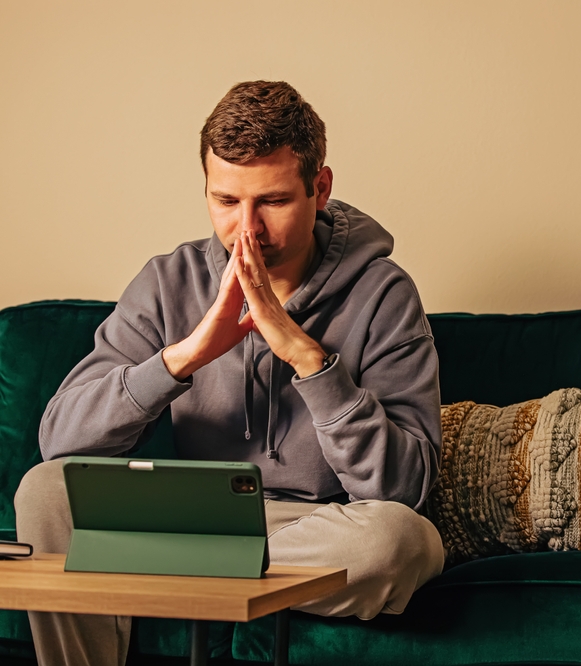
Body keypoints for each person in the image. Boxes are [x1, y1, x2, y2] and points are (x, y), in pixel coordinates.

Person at [13, 80, 444, 666]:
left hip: (315, 525)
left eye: (272, 201)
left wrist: (310, 361)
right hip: (193, 516)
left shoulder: (384, 294)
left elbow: (403, 489)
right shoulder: (168, 281)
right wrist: (184, 357)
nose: (248, 229)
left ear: (320, 189)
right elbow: (60, 441)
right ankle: (208, 572)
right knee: (45, 489)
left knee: (401, 541)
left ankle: (181, 573)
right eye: (225, 201)